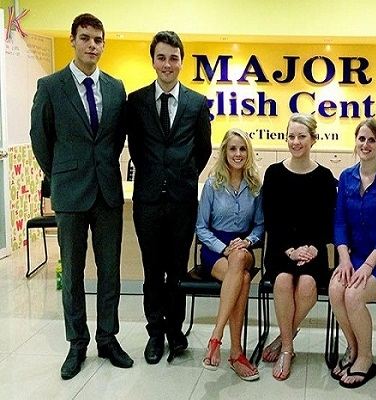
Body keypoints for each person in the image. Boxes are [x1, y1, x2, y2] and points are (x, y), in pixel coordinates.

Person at [29, 13, 133, 380]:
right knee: (72, 273)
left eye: (98, 39)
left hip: (107, 192)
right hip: (70, 193)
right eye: (85, 38)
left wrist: (100, 167)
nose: (92, 45)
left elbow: (116, 138)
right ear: (72, 40)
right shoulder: (50, 86)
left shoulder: (115, 88)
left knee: (110, 271)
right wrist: (61, 173)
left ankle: (107, 338)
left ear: (104, 44)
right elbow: (41, 139)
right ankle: (77, 343)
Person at [125, 31, 212, 364]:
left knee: (177, 270)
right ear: (153, 61)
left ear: (181, 61)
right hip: (148, 201)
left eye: (173, 58)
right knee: (152, 270)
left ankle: (175, 331)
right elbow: (136, 149)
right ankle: (155, 333)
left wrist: (181, 175)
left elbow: (202, 150)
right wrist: (155, 177)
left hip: (182, 201)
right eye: (161, 57)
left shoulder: (196, 103)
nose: (167, 64)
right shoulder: (136, 102)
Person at [261, 113, 337, 380]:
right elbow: (271, 219)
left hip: (313, 251)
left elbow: (329, 222)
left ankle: (283, 337)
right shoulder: (274, 173)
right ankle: (288, 349)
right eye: (291, 136)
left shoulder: (325, 177)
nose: (295, 141)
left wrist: (313, 248)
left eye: (302, 136)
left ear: (313, 139)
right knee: (282, 281)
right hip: (281, 249)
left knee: (306, 285)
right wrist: (291, 251)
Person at [329, 118, 376, 389]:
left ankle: (365, 357)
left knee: (353, 295)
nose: (366, 144)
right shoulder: (346, 177)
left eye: (372, 140)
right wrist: (344, 259)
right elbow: (339, 223)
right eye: (361, 139)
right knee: (335, 289)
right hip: (355, 258)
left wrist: (369, 265)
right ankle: (353, 347)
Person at [196, 128, 263, 381]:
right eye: (233, 148)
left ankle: (216, 336)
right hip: (216, 250)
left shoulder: (255, 186)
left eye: (242, 149)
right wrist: (222, 248)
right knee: (242, 280)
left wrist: (247, 241)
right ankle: (236, 354)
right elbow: (201, 228)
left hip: (244, 247)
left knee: (239, 258)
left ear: (248, 152)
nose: (238, 154)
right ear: (224, 152)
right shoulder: (213, 184)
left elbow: (260, 226)